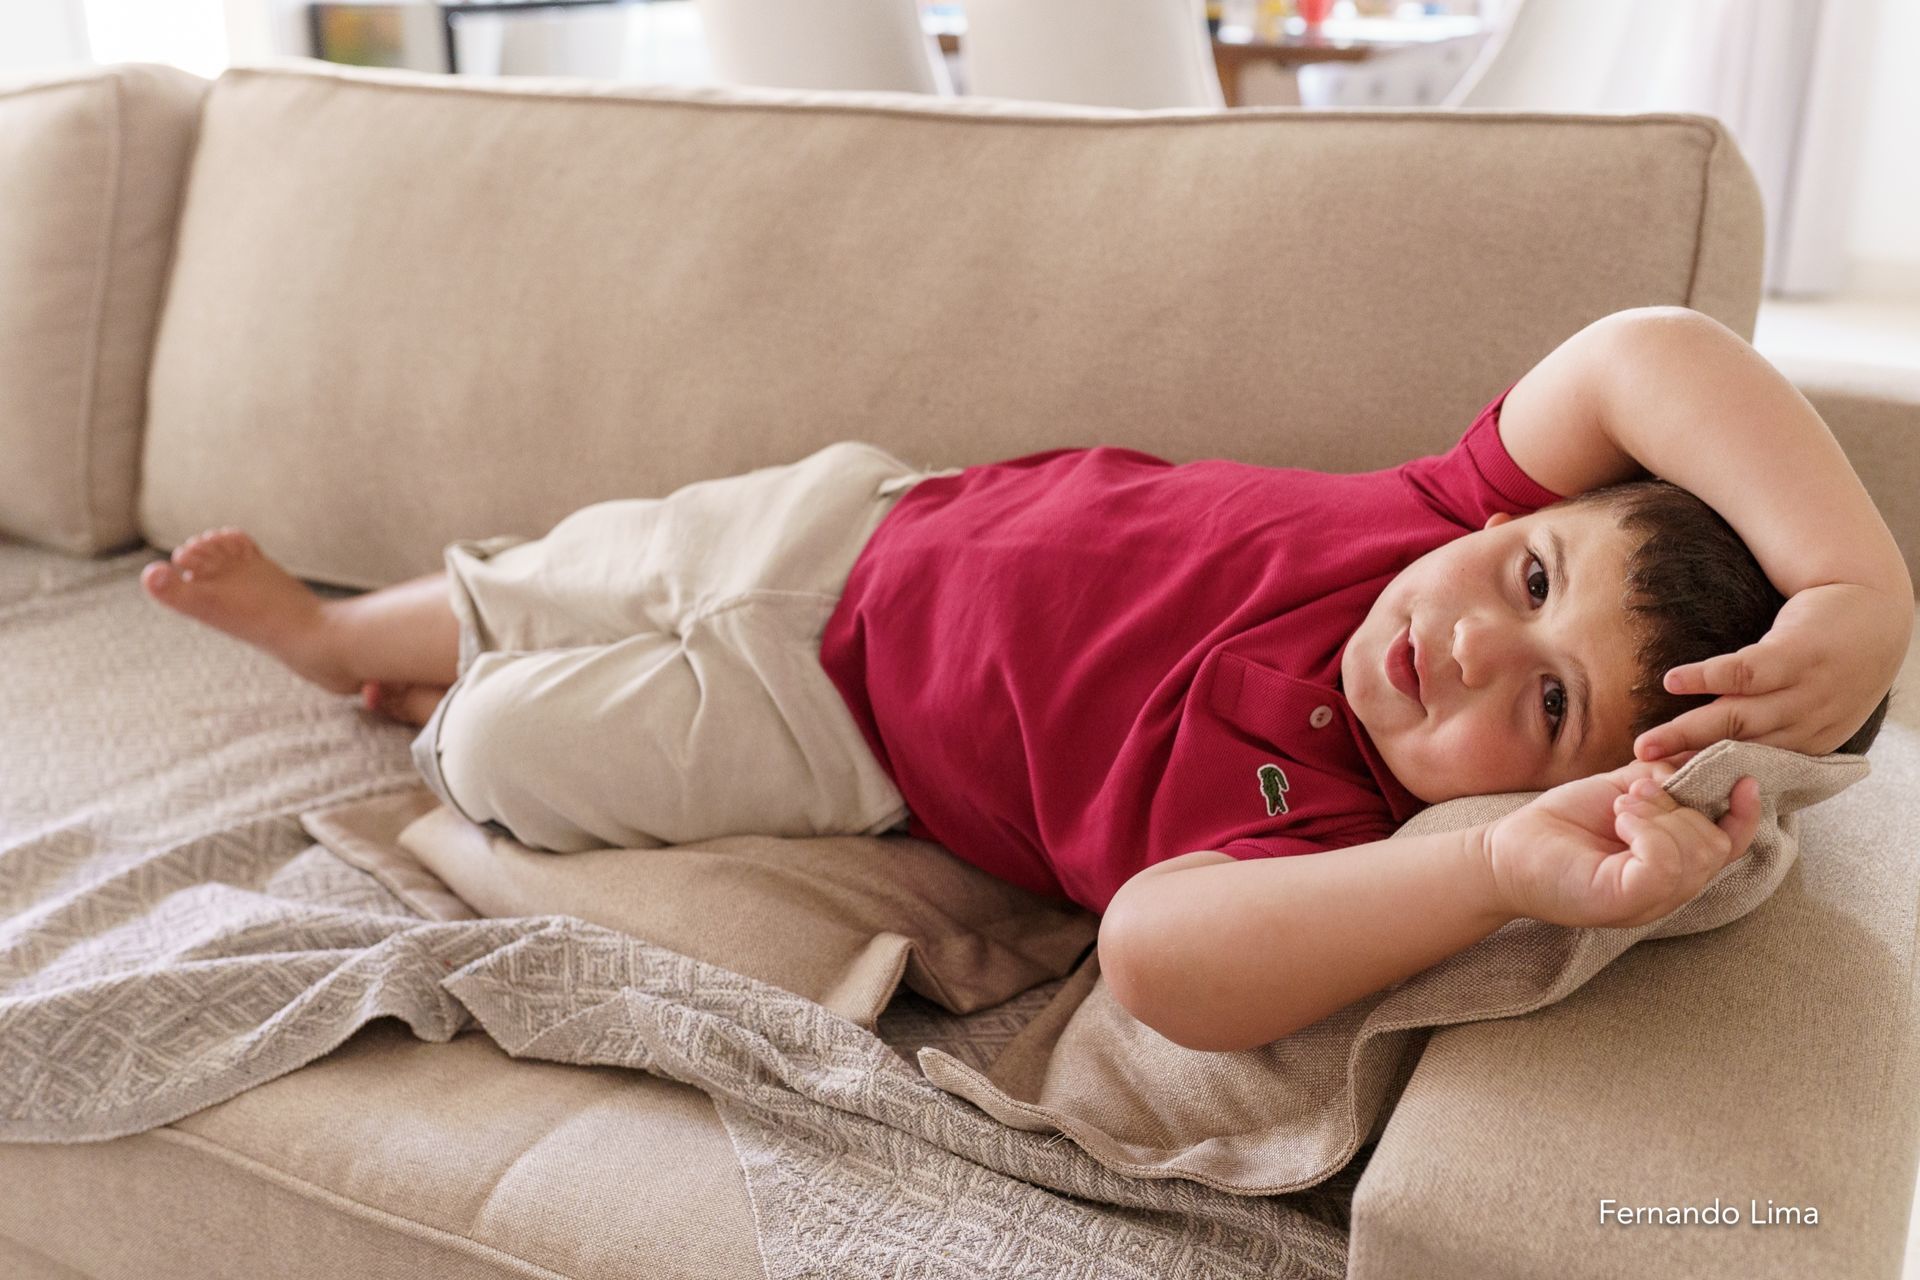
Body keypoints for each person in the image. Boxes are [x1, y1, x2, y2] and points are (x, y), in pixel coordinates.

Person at [141, 306, 1912, 1053]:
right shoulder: (1438, 508)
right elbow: (1652, 353)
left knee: (511, 740)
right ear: (1525, 512)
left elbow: (1158, 964)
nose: (1469, 640)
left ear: (1528, 793)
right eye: (1533, 581)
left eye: (1539, 710)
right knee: (562, 568)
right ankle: (342, 634)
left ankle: (437, 704)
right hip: (863, 514)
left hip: (830, 726)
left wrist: (1485, 873)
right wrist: (1857, 582)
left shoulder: (1329, 835)